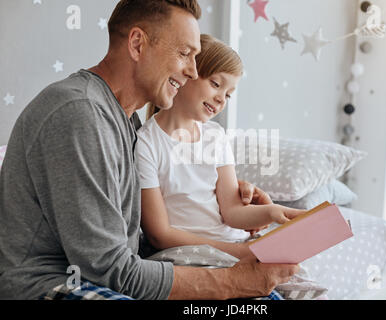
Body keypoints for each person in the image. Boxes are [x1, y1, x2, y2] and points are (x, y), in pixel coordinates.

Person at [0, 0, 299, 300]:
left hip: (107, 276)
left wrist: (226, 202)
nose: (193, 72)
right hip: (48, 283)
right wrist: (232, 281)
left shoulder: (125, 121)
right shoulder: (80, 113)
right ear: (137, 44)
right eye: (184, 54)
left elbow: (134, 238)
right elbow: (110, 269)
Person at [137, 34, 307, 261]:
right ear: (187, 74)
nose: (221, 100)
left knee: (297, 279)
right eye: (216, 84)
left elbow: (233, 212)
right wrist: (237, 253)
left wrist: (273, 212)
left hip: (234, 243)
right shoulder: (147, 144)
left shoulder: (215, 135)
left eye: (228, 95)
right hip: (190, 254)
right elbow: (160, 235)